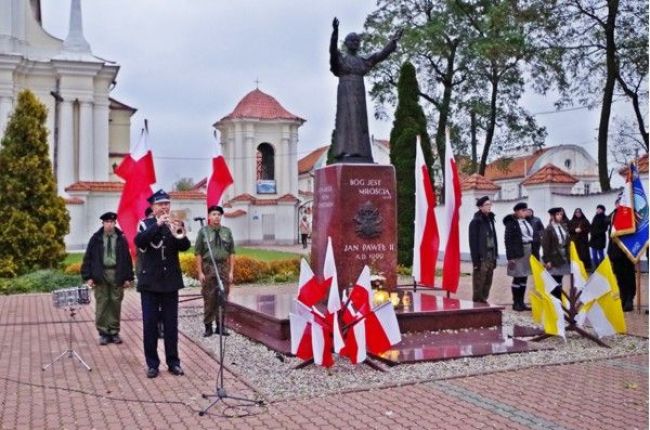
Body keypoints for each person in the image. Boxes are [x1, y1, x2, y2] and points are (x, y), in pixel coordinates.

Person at [329, 17, 402, 163]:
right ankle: (345, 151)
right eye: (352, 41)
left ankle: (360, 152)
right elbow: (332, 50)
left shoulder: (362, 61)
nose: (355, 43)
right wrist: (335, 33)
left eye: (357, 41)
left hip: (359, 91)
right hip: (345, 92)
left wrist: (392, 42)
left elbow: (379, 56)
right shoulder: (341, 59)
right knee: (346, 120)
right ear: (346, 43)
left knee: (360, 121)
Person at [135, 189, 191, 378]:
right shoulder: (145, 224)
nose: (165, 207)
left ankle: (173, 362)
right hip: (150, 283)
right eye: (161, 204)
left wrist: (179, 229)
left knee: (171, 325)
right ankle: (152, 364)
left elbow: (184, 246)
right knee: (150, 325)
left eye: (167, 203)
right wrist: (157, 226)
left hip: (170, 283)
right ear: (153, 207)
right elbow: (140, 242)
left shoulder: (174, 224)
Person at [81, 212, 134, 345]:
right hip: (101, 273)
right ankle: (104, 332)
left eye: (112, 222)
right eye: (107, 222)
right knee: (102, 303)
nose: (109, 225)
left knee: (115, 303)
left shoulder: (121, 238)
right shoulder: (96, 238)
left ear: (115, 223)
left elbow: (127, 259)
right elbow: (88, 258)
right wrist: (88, 277)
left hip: (117, 273)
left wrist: (128, 277)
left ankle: (114, 332)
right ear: (103, 223)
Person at [195, 205, 236, 337]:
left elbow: (232, 253)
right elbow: (198, 253)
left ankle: (220, 326)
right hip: (209, 267)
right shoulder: (203, 232)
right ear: (209, 217)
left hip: (223, 267)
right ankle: (208, 326)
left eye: (218, 214)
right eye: (213, 214)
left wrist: (231, 272)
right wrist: (200, 272)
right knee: (209, 297)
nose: (216, 217)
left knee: (223, 298)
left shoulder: (227, 232)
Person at [503, 202, 533, 311]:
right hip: (518, 251)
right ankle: (516, 302)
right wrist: (510, 257)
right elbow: (508, 241)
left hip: (528, 250)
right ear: (516, 211)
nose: (525, 212)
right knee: (517, 277)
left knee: (524, 276)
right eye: (522, 210)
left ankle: (522, 302)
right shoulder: (511, 223)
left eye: (525, 210)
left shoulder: (527, 221)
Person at [468, 196, 498, 303]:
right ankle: (476, 303)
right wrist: (475, 261)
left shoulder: (490, 220)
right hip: (482, 256)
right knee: (479, 281)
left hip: (491, 254)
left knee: (488, 281)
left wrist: (495, 257)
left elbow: (494, 238)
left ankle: (484, 300)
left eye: (490, 204)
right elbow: (473, 243)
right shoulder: (476, 222)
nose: (489, 207)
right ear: (480, 207)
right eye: (487, 205)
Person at [608, 208, 636, 312]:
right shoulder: (613, 214)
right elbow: (610, 235)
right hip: (616, 253)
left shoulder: (630, 214)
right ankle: (623, 298)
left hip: (627, 252)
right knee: (620, 278)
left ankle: (629, 299)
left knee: (629, 276)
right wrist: (610, 252)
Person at [541, 208, 570, 300]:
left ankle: (559, 300)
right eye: (557, 214)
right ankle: (555, 301)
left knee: (560, 279)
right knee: (554, 280)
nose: (560, 216)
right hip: (554, 258)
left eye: (561, 214)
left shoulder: (563, 226)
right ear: (552, 216)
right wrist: (547, 260)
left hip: (563, 257)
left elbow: (567, 241)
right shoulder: (549, 229)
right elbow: (545, 246)